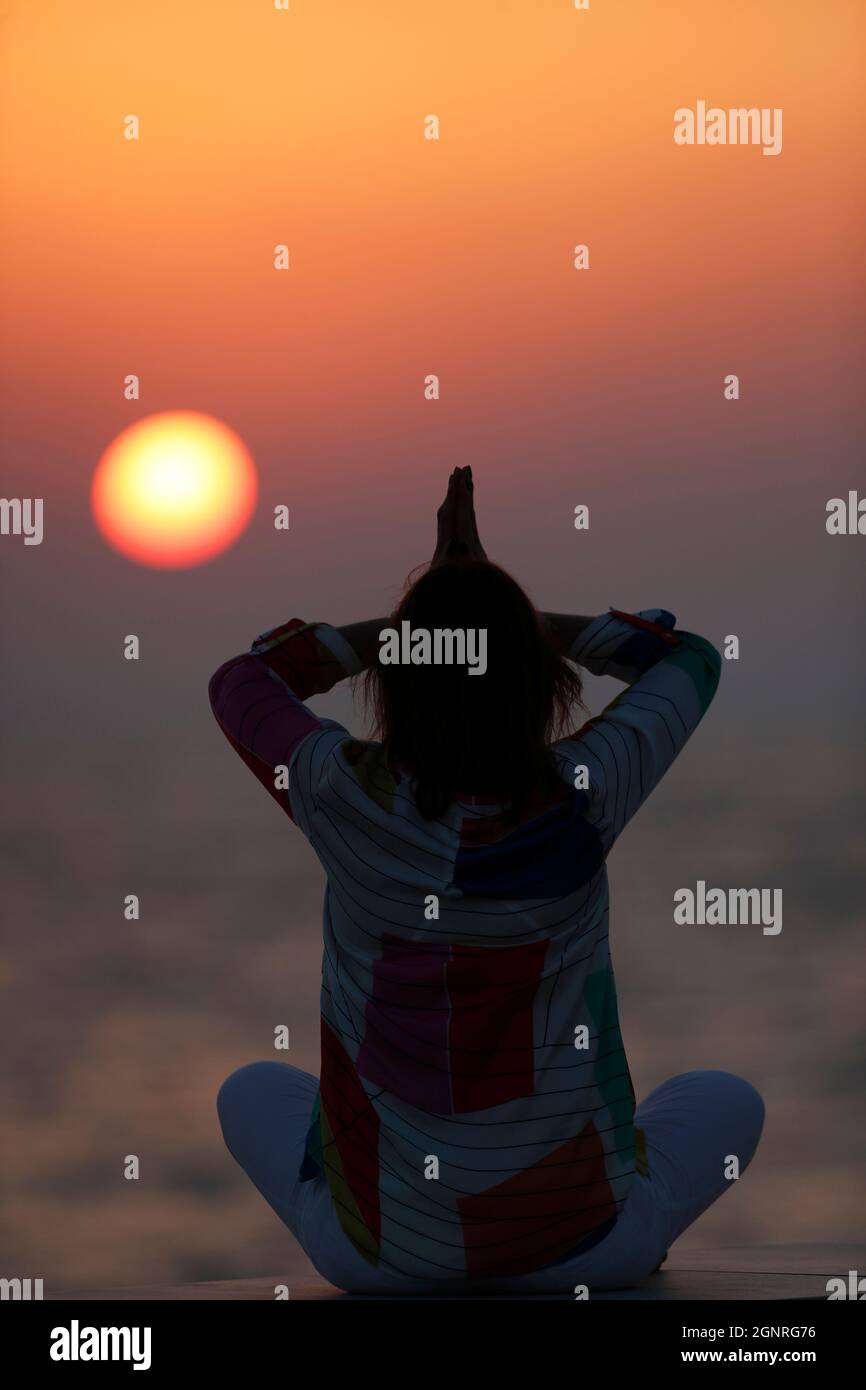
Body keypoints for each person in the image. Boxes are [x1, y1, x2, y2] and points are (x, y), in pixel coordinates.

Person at [209, 467, 764, 1294]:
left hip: (383, 1263)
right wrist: (506, 623)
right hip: (585, 1254)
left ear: (396, 683)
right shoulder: (583, 795)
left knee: (250, 1088)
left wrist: (432, 619)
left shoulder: (337, 792)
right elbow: (687, 660)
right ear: (541, 685)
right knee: (727, 1098)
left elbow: (242, 683)